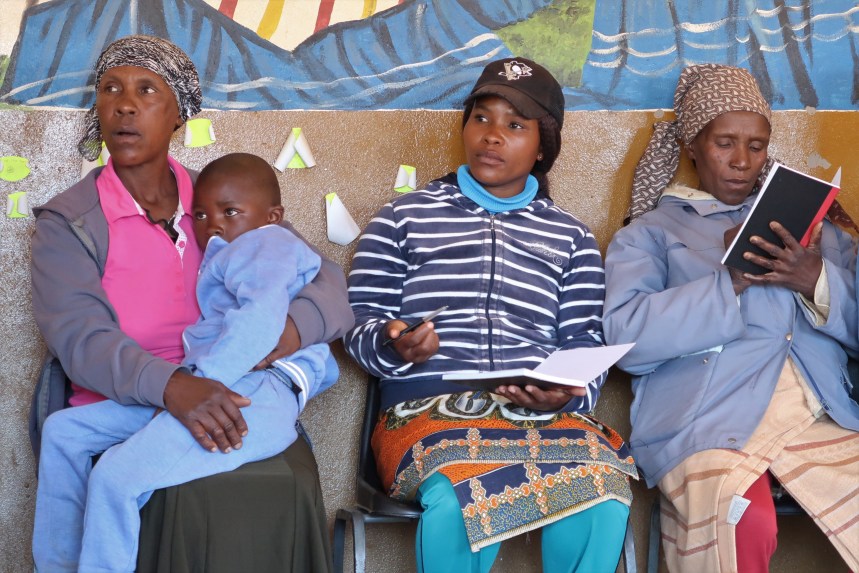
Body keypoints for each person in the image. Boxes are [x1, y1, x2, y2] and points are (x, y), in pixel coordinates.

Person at [29, 36, 353, 572]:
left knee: (277, 482)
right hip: (134, 393)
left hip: (237, 386)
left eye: (146, 90)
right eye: (111, 90)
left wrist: (287, 334)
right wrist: (174, 385)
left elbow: (323, 283)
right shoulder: (72, 222)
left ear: (178, 113)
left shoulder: (221, 199)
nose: (124, 105)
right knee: (75, 442)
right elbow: (80, 341)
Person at [343, 57, 638, 573]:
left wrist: (566, 389)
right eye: (482, 118)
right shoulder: (401, 218)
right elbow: (359, 322)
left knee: (603, 492)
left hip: (546, 417)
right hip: (428, 411)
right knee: (463, 494)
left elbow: (585, 340)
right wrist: (394, 342)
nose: (493, 136)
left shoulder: (571, 238)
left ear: (543, 146)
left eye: (515, 125)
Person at [603, 64, 859, 572]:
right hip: (707, 420)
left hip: (821, 414)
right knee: (745, 520)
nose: (741, 161)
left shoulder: (817, 232)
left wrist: (816, 279)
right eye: (724, 143)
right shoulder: (651, 233)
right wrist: (731, 282)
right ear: (692, 146)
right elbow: (624, 338)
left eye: (756, 146)